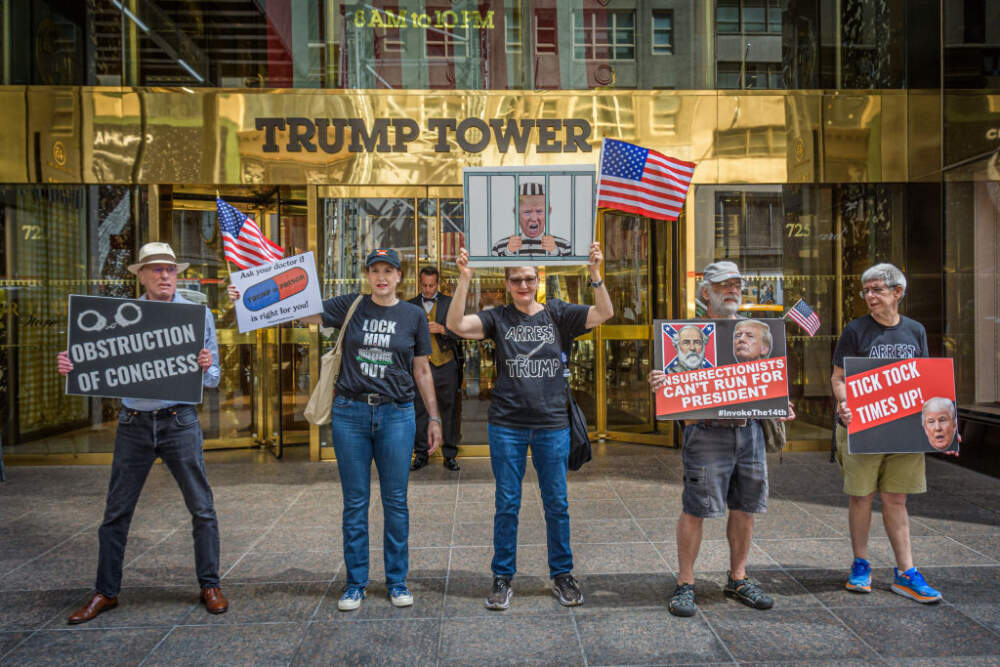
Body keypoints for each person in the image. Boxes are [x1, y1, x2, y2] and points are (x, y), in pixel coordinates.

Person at [56, 242, 227, 624]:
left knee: (202, 507)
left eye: (170, 269)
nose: (165, 275)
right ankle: (106, 591)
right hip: (133, 422)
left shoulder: (197, 315)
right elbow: (93, 364)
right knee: (116, 511)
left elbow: (213, 379)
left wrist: (205, 365)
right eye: (156, 270)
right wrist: (73, 365)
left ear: (177, 275)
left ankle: (210, 584)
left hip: (179, 421)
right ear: (142, 276)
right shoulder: (120, 317)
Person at [446, 244, 613, 610]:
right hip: (507, 425)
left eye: (529, 278)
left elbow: (604, 312)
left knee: (557, 503)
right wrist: (464, 279)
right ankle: (502, 577)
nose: (523, 284)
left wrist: (595, 273)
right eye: (516, 279)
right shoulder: (498, 318)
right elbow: (456, 325)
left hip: (552, 425)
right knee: (507, 503)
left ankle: (562, 574)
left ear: (538, 281)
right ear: (507, 283)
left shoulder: (557, 313)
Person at [287, 248, 440, 611]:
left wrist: (433, 418)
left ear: (400, 276)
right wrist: (250, 302)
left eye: (389, 271)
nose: (382, 277)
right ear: (367, 275)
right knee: (355, 503)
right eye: (375, 271)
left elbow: (422, 370)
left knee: (395, 501)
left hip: (397, 416)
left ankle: (396, 581)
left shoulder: (413, 315)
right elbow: (303, 312)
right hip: (350, 414)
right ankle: (355, 582)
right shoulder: (350, 306)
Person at [648, 260, 795, 618]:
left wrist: (780, 403)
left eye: (736, 285)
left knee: (745, 509)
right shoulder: (687, 335)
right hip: (706, 434)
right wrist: (661, 384)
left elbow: (766, 387)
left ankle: (738, 578)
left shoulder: (756, 333)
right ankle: (685, 583)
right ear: (705, 293)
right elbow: (675, 391)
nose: (732, 290)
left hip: (750, 432)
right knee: (695, 508)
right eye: (723, 284)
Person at [831, 262, 943, 603]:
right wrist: (844, 404)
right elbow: (838, 378)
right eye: (866, 290)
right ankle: (861, 565)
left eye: (877, 289)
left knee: (896, 499)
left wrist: (944, 421)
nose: (869, 296)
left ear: (898, 292)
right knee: (861, 496)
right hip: (864, 426)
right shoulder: (855, 330)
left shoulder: (915, 331)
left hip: (904, 430)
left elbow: (925, 379)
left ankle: (906, 571)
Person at [408, 266, 463, 472]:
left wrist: (444, 330)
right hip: (420, 365)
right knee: (419, 410)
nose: (428, 289)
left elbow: (462, 331)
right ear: (420, 283)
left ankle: (449, 455)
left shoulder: (450, 303)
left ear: (438, 284)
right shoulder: (410, 306)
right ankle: (421, 454)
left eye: (432, 285)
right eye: (425, 285)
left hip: (445, 364)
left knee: (449, 409)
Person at [491, 182, 572, 257]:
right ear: (516, 213)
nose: (533, 218)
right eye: (527, 212)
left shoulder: (564, 247)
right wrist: (508, 252)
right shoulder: (499, 247)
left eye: (539, 211)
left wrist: (555, 252)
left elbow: (569, 270)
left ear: (548, 212)